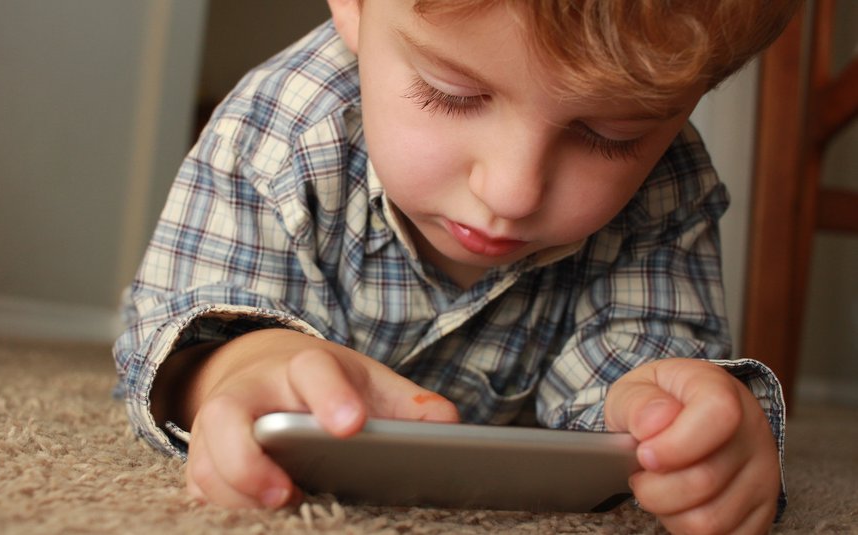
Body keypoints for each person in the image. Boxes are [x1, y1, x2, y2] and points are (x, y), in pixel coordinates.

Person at [113, 1, 801, 533]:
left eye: (608, 134)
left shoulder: (665, 183)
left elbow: (637, 360)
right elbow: (172, 330)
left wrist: (673, 420)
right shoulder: (280, 130)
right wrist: (236, 369)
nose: (512, 190)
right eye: (453, 93)